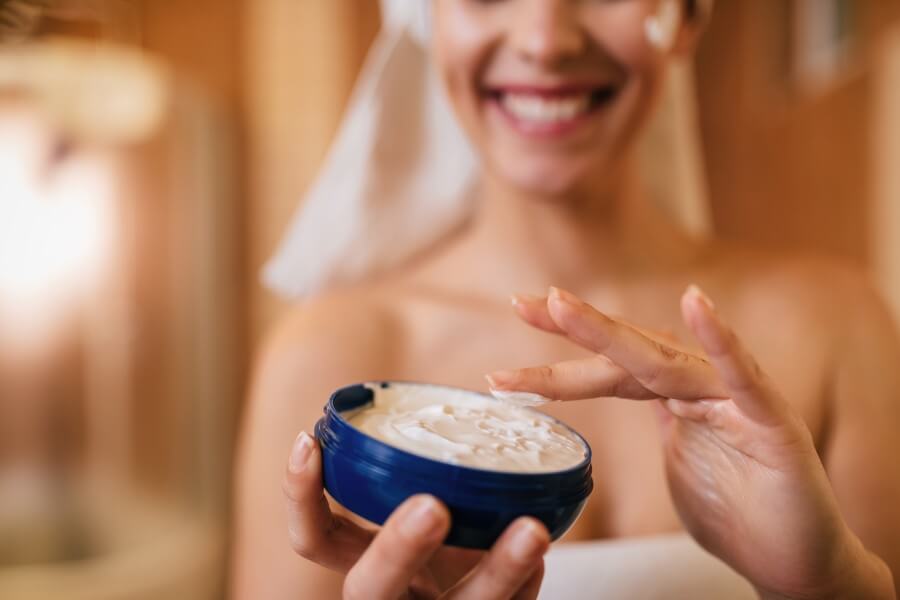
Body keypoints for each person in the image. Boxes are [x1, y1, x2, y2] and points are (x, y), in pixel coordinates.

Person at [230, 0, 900, 598]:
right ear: (428, 17)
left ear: (689, 17)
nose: (545, 38)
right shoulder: (326, 356)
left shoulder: (839, 330)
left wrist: (832, 586)